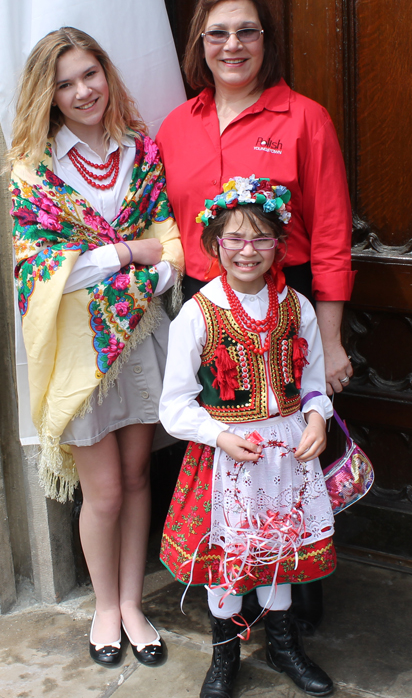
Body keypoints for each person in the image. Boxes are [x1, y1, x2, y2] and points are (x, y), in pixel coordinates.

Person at [155, 0, 355, 632]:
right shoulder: (175, 127)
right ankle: (228, 626)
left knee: (293, 461)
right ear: (200, 44)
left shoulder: (305, 117)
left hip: (284, 299)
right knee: (226, 463)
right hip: (205, 306)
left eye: (246, 31)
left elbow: (328, 238)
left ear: (266, 41)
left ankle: (292, 629)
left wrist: (328, 342)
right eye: (218, 33)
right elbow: (165, 227)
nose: (232, 44)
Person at [9, 27, 184, 667]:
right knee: (103, 492)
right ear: (47, 95)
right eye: (65, 82)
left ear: (107, 75)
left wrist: (130, 264)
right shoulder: (34, 171)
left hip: (139, 341)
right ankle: (103, 608)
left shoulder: (141, 153)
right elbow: (43, 271)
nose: (83, 90)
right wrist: (126, 254)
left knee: (140, 477)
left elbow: (171, 251)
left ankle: (132, 604)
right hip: (80, 354)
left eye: (91, 74)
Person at [159, 176, 336, 698]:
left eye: (261, 238)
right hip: (227, 458)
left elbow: (312, 385)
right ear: (215, 243)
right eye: (234, 238)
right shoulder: (198, 314)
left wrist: (318, 418)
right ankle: (224, 655)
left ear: (279, 244)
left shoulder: (296, 308)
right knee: (228, 560)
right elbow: (173, 406)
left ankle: (283, 646)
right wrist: (218, 433)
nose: (247, 250)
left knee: (276, 548)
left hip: (284, 455)